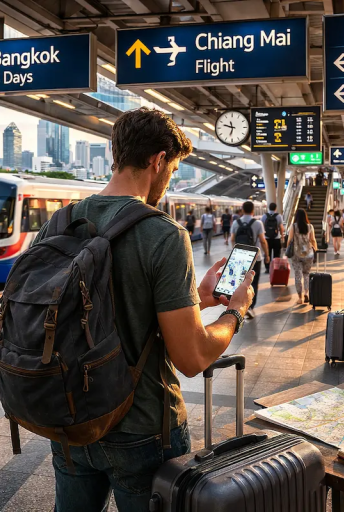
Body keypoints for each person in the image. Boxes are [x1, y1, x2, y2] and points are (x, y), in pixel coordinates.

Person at [31, 108, 254, 512]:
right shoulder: (163, 234)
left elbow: (97, 307)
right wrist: (234, 312)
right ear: (158, 161)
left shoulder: (58, 224)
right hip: (143, 429)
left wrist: (195, 300)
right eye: (171, 170)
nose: (167, 183)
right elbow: (192, 358)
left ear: (117, 153)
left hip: (68, 418)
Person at [232, 201, 270, 318]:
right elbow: (263, 241)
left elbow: (232, 240)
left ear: (242, 210)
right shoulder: (258, 223)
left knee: (240, 282)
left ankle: (240, 305)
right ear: (253, 210)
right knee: (253, 282)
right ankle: (249, 306)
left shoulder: (235, 223)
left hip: (239, 257)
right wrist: (267, 255)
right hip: (255, 258)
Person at [288, 208, 318, 303]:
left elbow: (289, 240)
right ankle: (306, 293)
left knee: (298, 275)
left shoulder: (293, 226)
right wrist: (315, 249)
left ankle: (300, 298)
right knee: (306, 274)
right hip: (308, 254)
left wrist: (287, 249)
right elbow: (313, 240)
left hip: (296, 254)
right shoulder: (310, 227)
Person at [262, 202, 284, 273]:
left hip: (266, 238)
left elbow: (262, 227)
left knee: (267, 253)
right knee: (276, 254)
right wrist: (282, 236)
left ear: (269, 208)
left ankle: (267, 268)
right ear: (275, 208)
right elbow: (281, 227)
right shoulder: (279, 216)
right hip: (276, 238)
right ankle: (275, 267)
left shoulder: (264, 216)